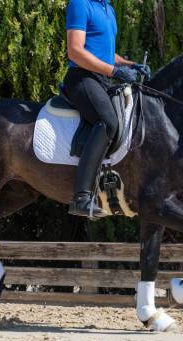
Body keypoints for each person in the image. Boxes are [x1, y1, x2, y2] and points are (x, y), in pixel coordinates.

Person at [64, 0, 150, 218]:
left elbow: (105, 54)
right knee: (108, 121)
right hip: (81, 78)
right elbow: (75, 51)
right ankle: (81, 197)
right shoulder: (80, 4)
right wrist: (114, 71)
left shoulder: (108, 8)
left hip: (102, 80)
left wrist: (129, 65)